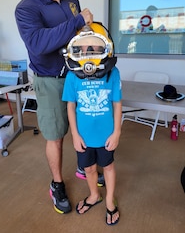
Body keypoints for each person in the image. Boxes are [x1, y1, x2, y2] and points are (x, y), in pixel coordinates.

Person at [15, 0, 93, 214]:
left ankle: (85, 165)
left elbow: (80, 34)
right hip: (49, 80)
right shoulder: (26, 8)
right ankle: (57, 183)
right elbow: (38, 43)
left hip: (78, 74)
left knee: (84, 125)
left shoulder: (71, 1)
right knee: (56, 135)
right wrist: (76, 22)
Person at [62, 23, 122, 225]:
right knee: (88, 169)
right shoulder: (72, 75)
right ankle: (94, 195)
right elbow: (71, 107)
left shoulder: (113, 73)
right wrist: (75, 135)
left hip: (106, 134)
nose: (89, 51)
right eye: (85, 46)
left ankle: (110, 201)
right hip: (84, 135)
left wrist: (117, 133)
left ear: (105, 47)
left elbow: (117, 104)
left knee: (108, 167)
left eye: (95, 46)